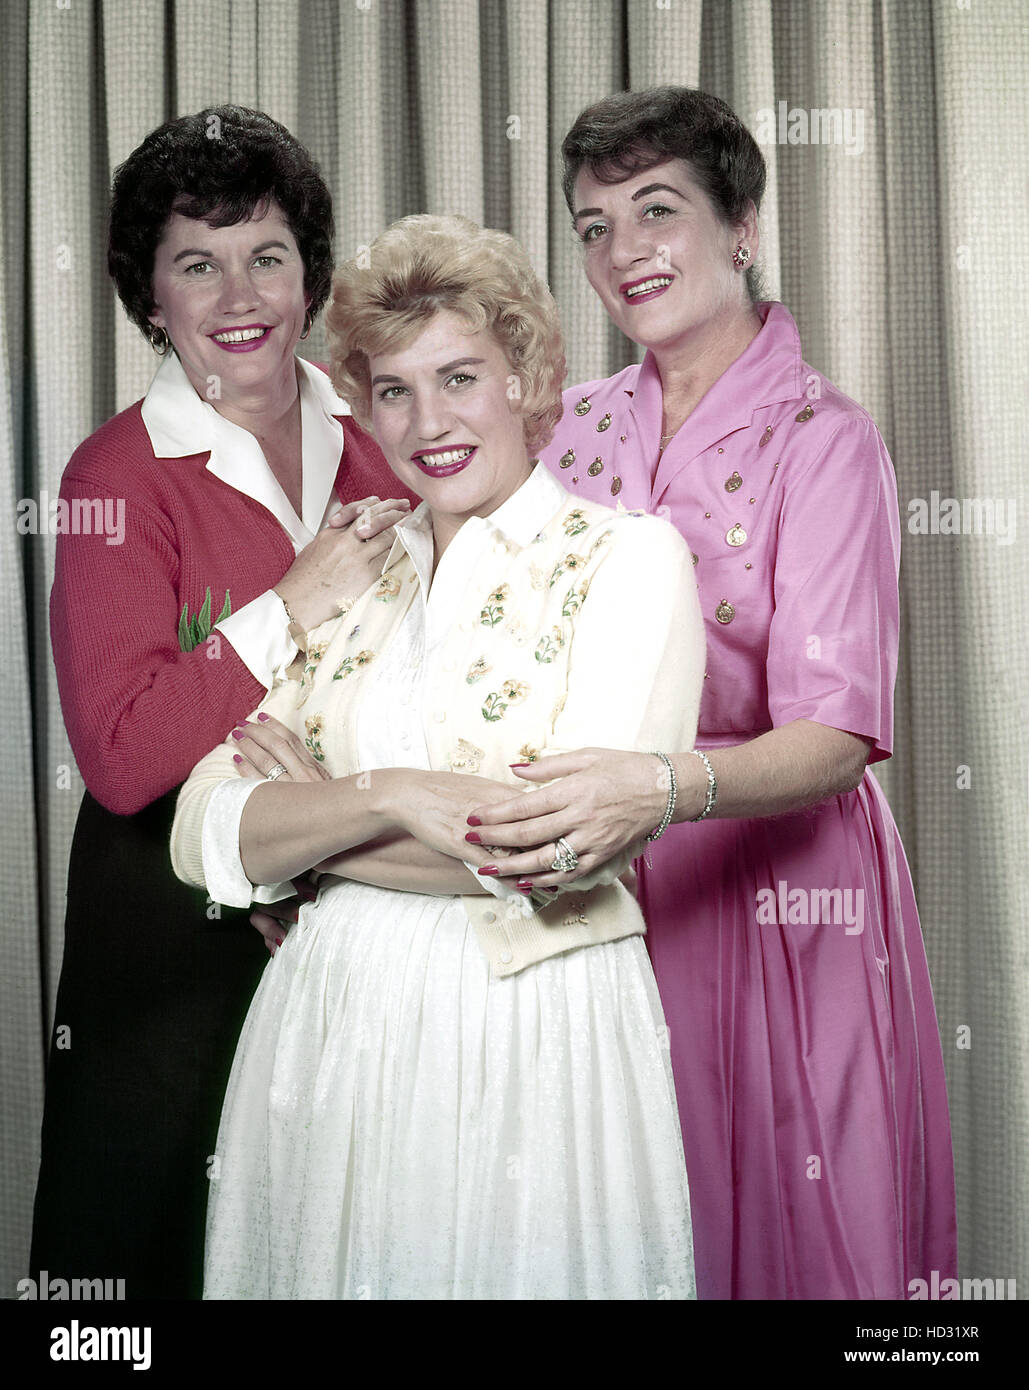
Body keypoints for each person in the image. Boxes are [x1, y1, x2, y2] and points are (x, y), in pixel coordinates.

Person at [462, 88, 958, 1300]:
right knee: (623, 1223)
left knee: (810, 1236)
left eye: (656, 210)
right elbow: (474, 630)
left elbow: (839, 735)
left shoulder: (825, 437)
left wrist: (664, 786)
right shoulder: (565, 432)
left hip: (786, 892)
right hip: (606, 890)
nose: (623, 250)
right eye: (591, 226)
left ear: (741, 223)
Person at [169, 214, 704, 1300]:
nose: (429, 421)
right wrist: (399, 796)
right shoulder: (354, 563)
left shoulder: (628, 560)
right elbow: (199, 830)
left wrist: (310, 831)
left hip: (530, 1031)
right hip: (329, 1029)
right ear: (365, 405)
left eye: (461, 376)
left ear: (530, 376)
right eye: (395, 390)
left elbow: (558, 849)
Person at [32, 106, 417, 1300]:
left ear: (311, 275)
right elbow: (125, 754)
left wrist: (330, 876)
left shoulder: (389, 441)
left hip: (354, 910)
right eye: (196, 261)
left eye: (267, 253)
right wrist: (291, 602)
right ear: (151, 298)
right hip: (164, 923)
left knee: (328, 1242)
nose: (238, 292)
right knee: (138, 1265)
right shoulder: (114, 474)